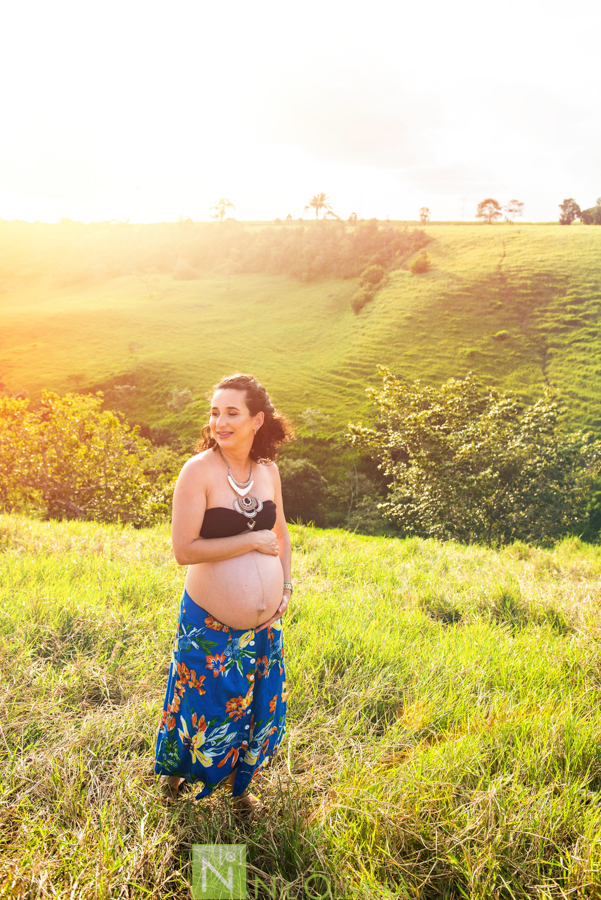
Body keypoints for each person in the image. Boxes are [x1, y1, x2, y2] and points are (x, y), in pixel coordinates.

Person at [154, 373, 293, 812]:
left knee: (251, 707)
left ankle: (240, 790)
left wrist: (285, 588)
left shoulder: (268, 471)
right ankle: (176, 777)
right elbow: (184, 549)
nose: (220, 422)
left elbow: (282, 533)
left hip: (263, 626)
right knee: (201, 703)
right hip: (208, 622)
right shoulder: (198, 471)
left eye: (232, 413)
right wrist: (250, 542)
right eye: (215, 412)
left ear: (257, 420)